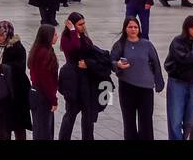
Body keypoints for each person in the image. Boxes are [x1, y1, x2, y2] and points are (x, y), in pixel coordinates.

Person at [110, 15, 165, 140]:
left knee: (146, 121)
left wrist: (159, 81)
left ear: (139, 29)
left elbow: (156, 63)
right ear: (125, 29)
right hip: (127, 87)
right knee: (129, 120)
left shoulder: (147, 45)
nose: (133, 29)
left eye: (135, 27)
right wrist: (117, 64)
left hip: (145, 89)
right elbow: (111, 61)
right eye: (130, 27)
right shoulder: (120, 45)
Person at [0, 20, 31, 140]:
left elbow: (20, 68)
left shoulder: (17, 48)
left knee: (17, 125)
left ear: (8, 34)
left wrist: (3, 68)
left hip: (14, 93)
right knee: (0, 124)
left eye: (0, 35)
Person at [57, 12, 101, 141]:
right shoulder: (66, 37)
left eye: (84, 23)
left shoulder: (84, 37)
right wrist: (71, 31)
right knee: (71, 113)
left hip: (86, 79)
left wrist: (89, 64)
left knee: (88, 115)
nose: (83, 26)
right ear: (72, 25)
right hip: (73, 79)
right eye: (80, 24)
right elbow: (74, 47)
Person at [27, 23, 59, 140]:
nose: (57, 37)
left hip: (35, 93)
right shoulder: (45, 54)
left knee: (39, 129)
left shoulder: (36, 50)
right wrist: (53, 100)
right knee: (44, 131)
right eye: (55, 35)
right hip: (43, 97)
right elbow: (47, 81)